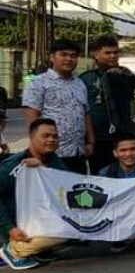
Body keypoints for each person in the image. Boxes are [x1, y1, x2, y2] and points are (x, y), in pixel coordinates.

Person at [0, 119, 72, 270]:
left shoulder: (53, 159)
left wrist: (42, 169)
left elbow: (67, 185)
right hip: (14, 227)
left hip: (36, 219)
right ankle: (13, 250)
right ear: (31, 138)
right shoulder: (14, 164)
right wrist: (9, 229)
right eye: (45, 136)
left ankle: (39, 249)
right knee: (66, 230)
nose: (51, 140)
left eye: (55, 136)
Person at [23, 40, 93, 174]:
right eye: (63, 54)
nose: (69, 59)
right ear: (52, 57)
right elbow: (31, 116)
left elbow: (86, 114)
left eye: (73, 56)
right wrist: (36, 149)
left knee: (77, 187)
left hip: (78, 153)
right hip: (52, 155)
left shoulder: (80, 84)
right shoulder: (38, 83)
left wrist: (90, 142)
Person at [99, 132, 135, 253]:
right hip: (119, 212)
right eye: (123, 150)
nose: (128, 154)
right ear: (115, 153)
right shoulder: (105, 173)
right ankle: (118, 238)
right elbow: (102, 204)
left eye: (133, 149)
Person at [79, 35, 121, 172]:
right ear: (96, 54)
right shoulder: (85, 79)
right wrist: (89, 140)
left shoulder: (126, 76)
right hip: (97, 140)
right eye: (108, 53)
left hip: (122, 138)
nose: (113, 56)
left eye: (115, 52)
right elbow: (81, 111)